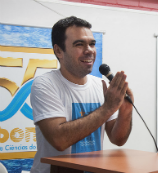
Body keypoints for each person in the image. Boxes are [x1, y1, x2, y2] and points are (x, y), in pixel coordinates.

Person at [30, 16, 133, 173]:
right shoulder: (45, 84)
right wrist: (108, 107)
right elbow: (60, 140)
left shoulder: (100, 85)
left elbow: (118, 139)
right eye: (79, 44)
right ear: (58, 51)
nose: (89, 50)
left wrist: (125, 109)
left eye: (92, 44)